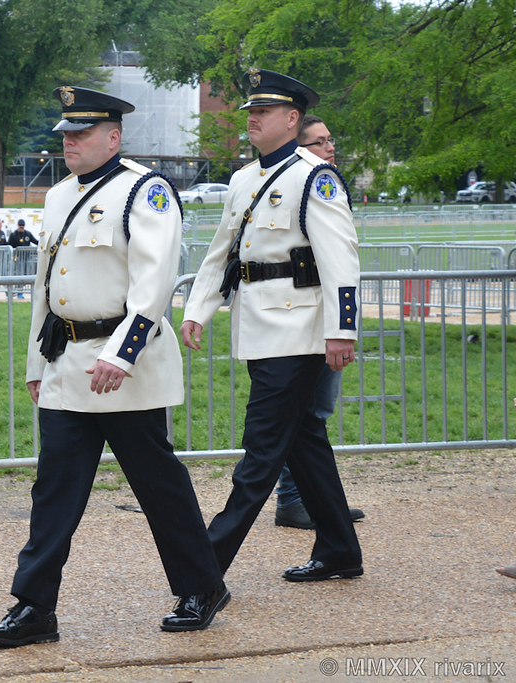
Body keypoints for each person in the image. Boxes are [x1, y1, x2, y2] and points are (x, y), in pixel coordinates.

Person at [0, 86, 227, 650]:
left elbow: (155, 280)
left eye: (82, 133)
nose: (70, 142)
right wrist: (35, 361)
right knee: (54, 490)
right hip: (68, 362)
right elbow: (47, 287)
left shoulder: (145, 191)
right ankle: (34, 606)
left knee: (156, 484)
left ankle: (200, 586)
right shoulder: (60, 194)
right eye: (66, 133)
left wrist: (123, 351)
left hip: (125, 367)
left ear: (113, 137)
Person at [180, 69, 363, 584]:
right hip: (259, 326)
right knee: (303, 441)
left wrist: (341, 330)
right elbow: (224, 253)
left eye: (263, 112)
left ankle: (205, 567)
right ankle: (341, 551)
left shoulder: (313, 176)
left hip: (299, 329)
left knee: (261, 451)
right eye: (250, 112)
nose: (253, 119)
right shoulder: (243, 179)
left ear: (291, 118)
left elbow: (340, 259)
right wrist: (199, 307)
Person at [273, 114, 365, 530]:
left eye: (332, 140)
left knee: (314, 414)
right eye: (320, 142)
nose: (330, 148)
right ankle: (295, 500)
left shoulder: (323, 185)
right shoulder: (301, 185)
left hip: (324, 318)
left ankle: (317, 502)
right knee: (302, 415)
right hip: (302, 320)